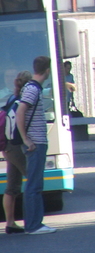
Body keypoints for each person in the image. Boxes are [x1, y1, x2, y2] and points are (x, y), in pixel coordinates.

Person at [15, 56, 57, 235]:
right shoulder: (33, 89)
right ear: (47, 70)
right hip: (34, 143)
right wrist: (26, 139)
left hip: (35, 142)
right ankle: (33, 225)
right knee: (34, 185)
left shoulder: (31, 88)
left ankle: (35, 223)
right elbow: (21, 112)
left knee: (35, 184)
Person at [2, 70, 31, 234]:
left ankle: (10, 223)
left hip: (8, 146)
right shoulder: (21, 102)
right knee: (33, 179)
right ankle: (33, 220)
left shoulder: (11, 98)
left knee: (12, 185)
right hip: (16, 146)